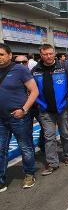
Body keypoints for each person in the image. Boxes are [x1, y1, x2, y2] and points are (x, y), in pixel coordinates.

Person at [31, 44, 68, 175]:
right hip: (45, 110)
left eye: (50, 53)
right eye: (45, 54)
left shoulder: (63, 67)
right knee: (49, 137)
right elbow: (31, 90)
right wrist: (39, 104)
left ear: (54, 53)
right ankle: (52, 163)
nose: (48, 56)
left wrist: (67, 102)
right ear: (41, 55)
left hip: (62, 108)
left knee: (65, 134)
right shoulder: (35, 70)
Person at [0, 44, 39, 192]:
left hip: (19, 117)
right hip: (0, 119)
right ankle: (1, 180)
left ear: (10, 55)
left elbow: (34, 91)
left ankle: (29, 174)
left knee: (25, 147)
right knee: (0, 149)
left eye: (2, 54)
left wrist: (24, 109)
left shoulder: (20, 70)